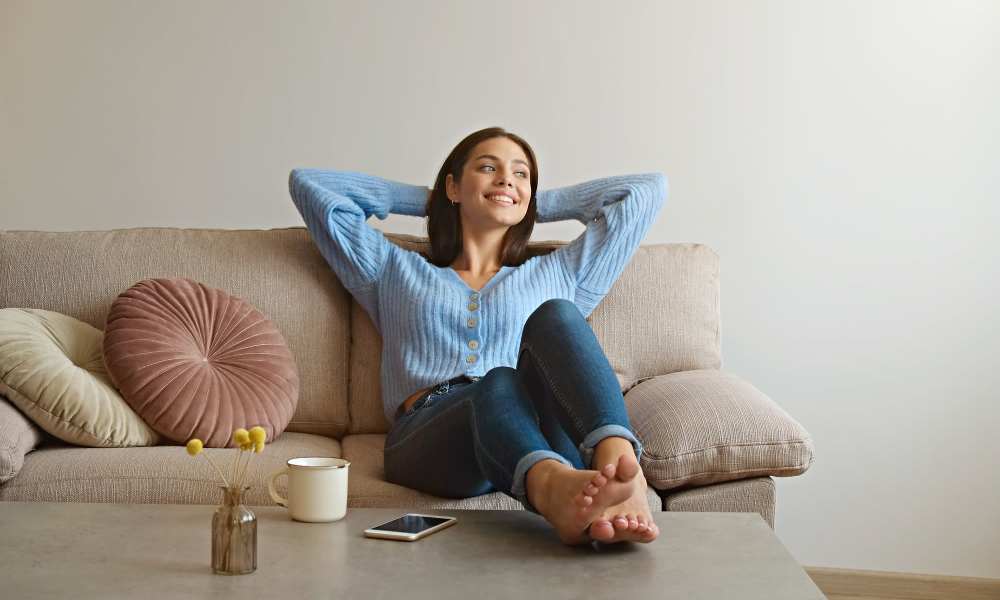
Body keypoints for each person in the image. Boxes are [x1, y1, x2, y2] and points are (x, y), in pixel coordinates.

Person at [288, 126, 668, 545]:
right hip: (433, 439)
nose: (507, 179)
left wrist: (534, 203)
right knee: (498, 380)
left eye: (521, 174)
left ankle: (617, 461)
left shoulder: (561, 272)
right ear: (453, 185)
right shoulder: (391, 270)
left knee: (558, 314)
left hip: (538, 430)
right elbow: (310, 185)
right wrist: (434, 200)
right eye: (488, 167)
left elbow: (646, 192)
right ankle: (551, 486)